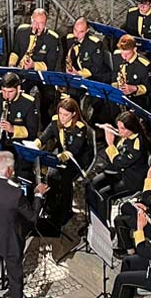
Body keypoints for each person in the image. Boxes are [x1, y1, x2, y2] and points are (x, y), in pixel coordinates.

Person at [0, 150, 48, 298]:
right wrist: (38, 195)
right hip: (11, 241)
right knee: (15, 279)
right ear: (8, 170)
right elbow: (32, 217)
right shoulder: (16, 193)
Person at [33, 97, 91, 226]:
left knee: (64, 178)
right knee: (50, 175)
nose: (62, 117)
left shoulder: (80, 127)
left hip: (76, 158)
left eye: (66, 115)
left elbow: (74, 150)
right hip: (60, 154)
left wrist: (59, 158)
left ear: (74, 114)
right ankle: (51, 206)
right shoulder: (55, 120)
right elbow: (44, 137)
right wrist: (35, 145)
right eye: (60, 113)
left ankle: (65, 211)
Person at [90, 111, 149, 207]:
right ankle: (92, 213)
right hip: (120, 172)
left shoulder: (137, 144)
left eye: (123, 129)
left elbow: (119, 162)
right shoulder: (126, 136)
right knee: (92, 184)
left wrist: (110, 144)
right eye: (118, 127)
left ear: (132, 128)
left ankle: (102, 219)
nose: (120, 131)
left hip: (131, 180)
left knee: (104, 194)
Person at [0, 72, 39, 147]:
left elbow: (32, 132)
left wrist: (13, 129)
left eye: (10, 92)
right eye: (4, 91)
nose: (6, 95)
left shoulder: (28, 102)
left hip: (17, 147)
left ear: (18, 88)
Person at [65, 17, 111, 87]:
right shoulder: (70, 39)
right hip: (79, 78)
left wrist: (79, 74)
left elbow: (96, 67)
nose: (77, 34)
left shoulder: (95, 44)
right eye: (75, 30)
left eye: (81, 32)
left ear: (87, 30)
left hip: (98, 79)